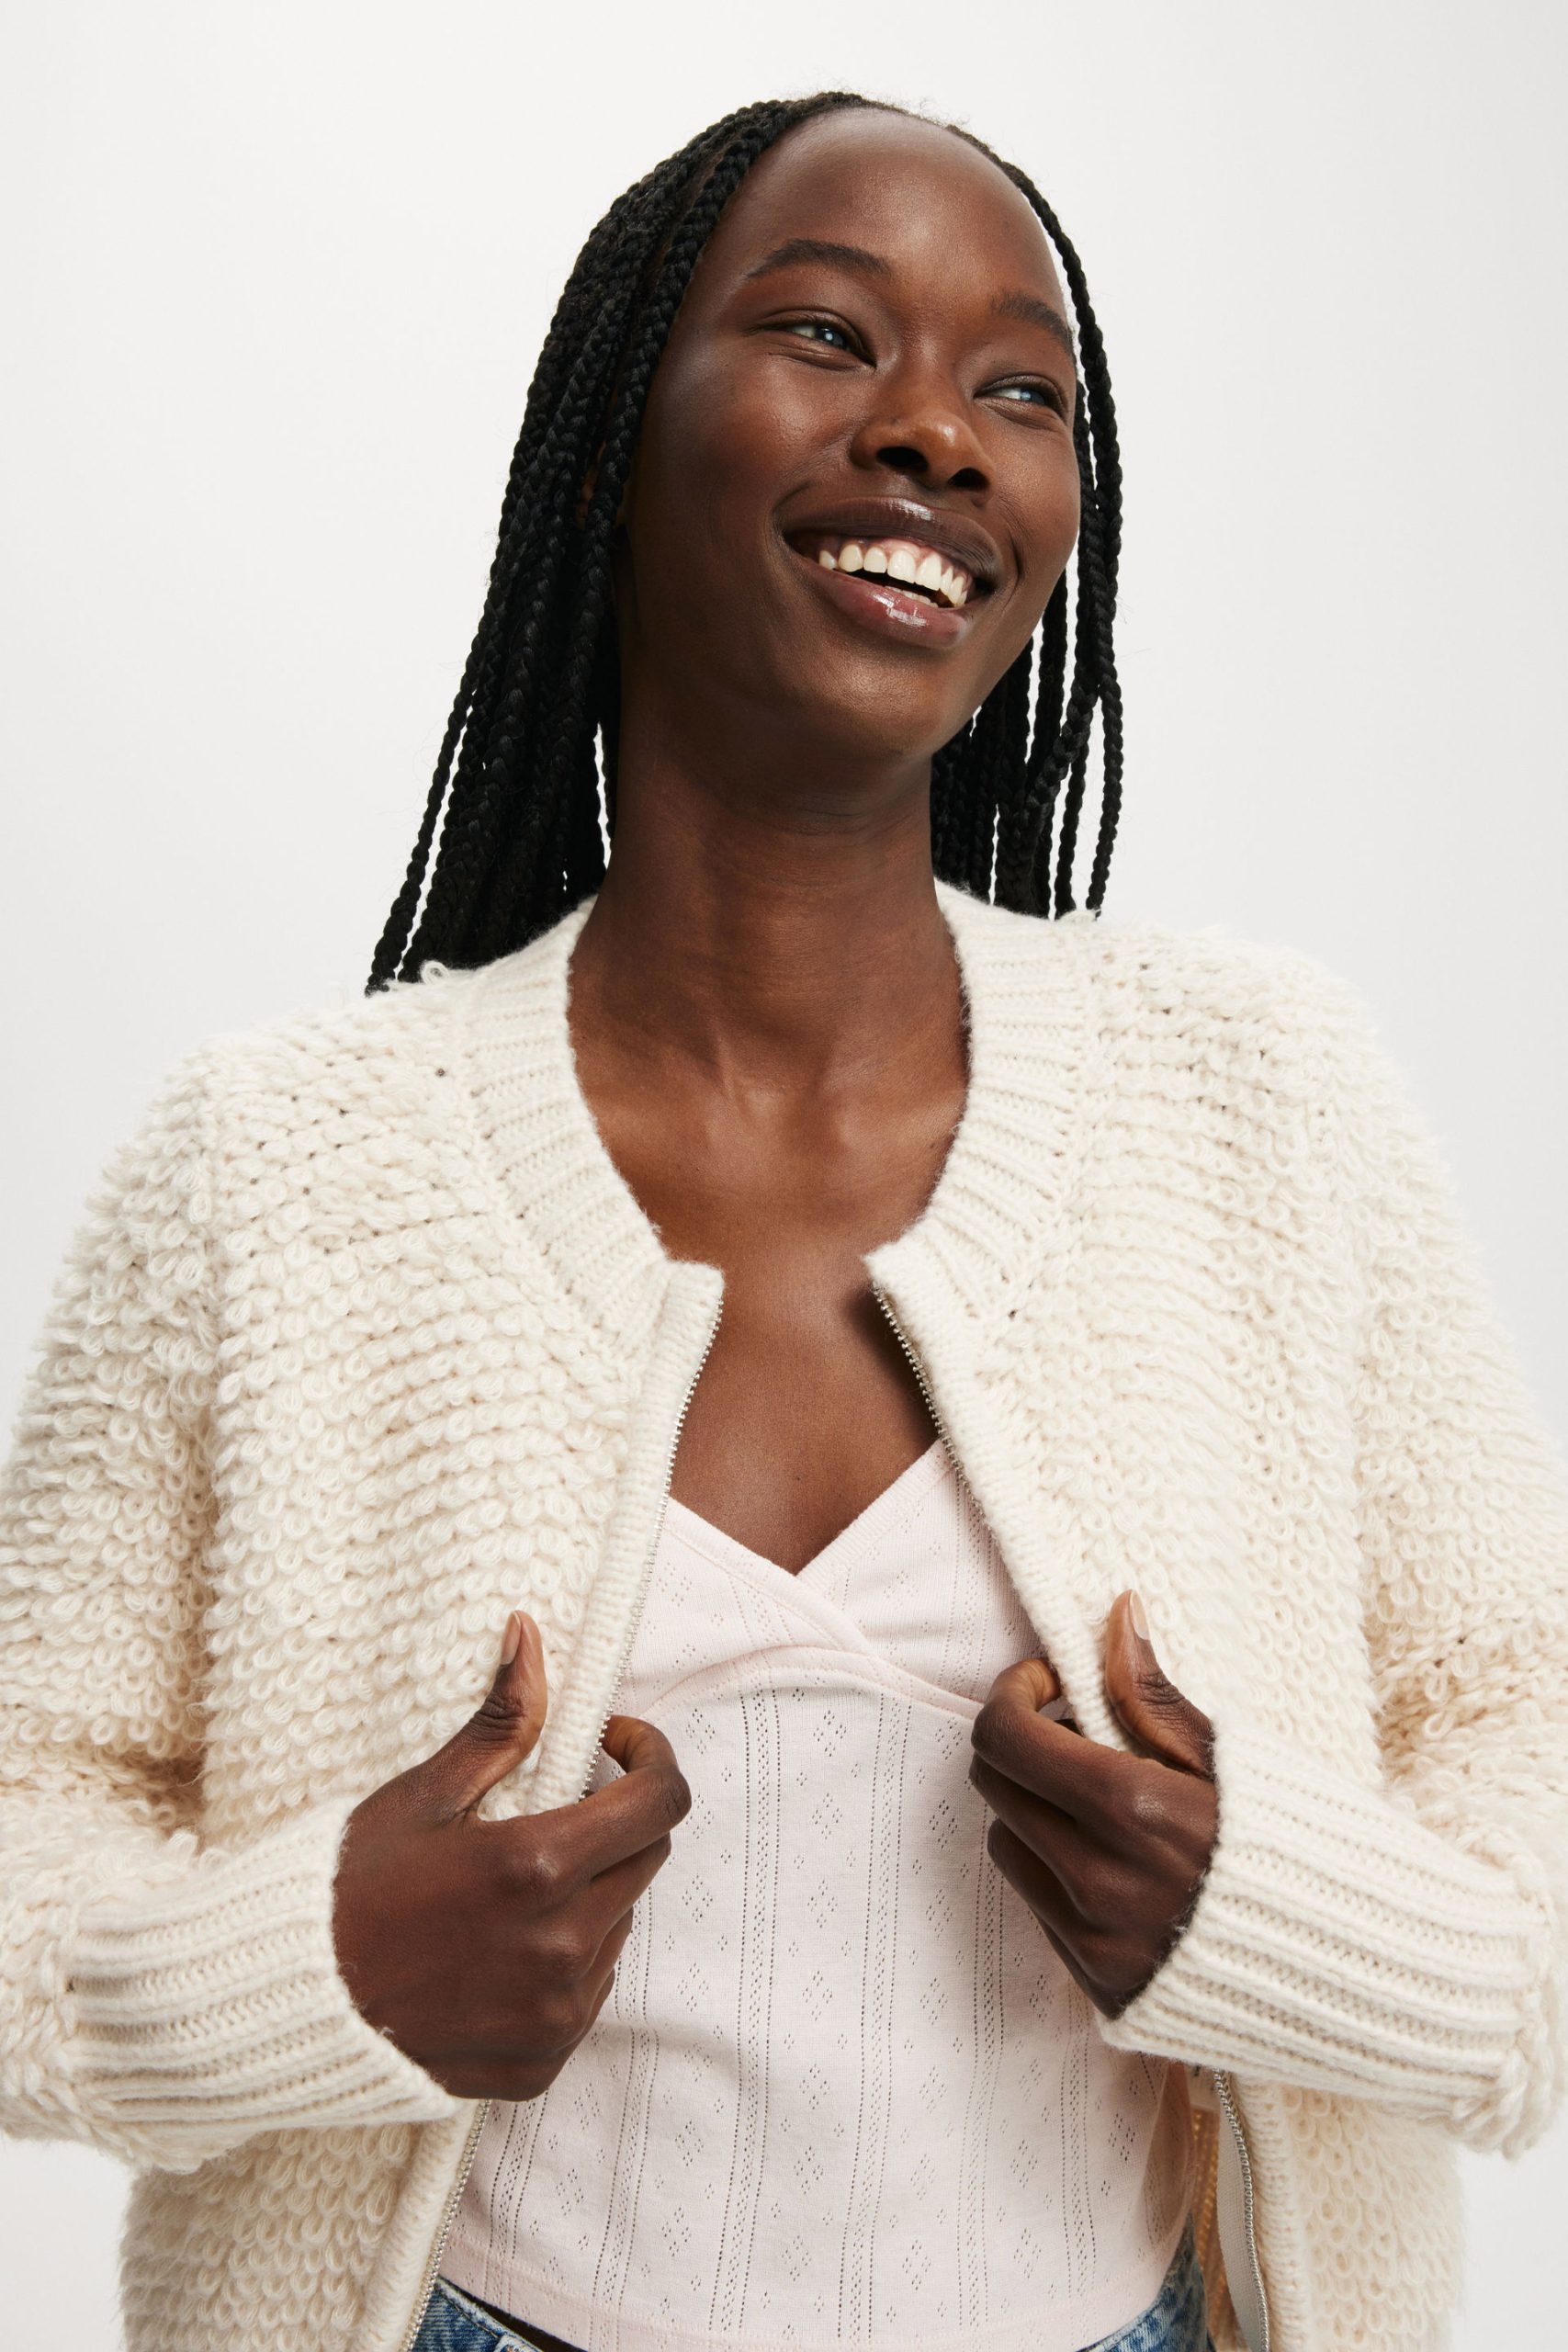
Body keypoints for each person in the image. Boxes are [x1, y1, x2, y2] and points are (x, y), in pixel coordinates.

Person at [1, 87, 1563, 2352]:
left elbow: (1517, 1720)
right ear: (614, 438)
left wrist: (1278, 1911)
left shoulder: (1262, 1104)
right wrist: (312, 1960)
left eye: (1018, 390)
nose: (934, 431)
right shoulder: (276, 1166)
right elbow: (34, 1803)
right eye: (829, 334)